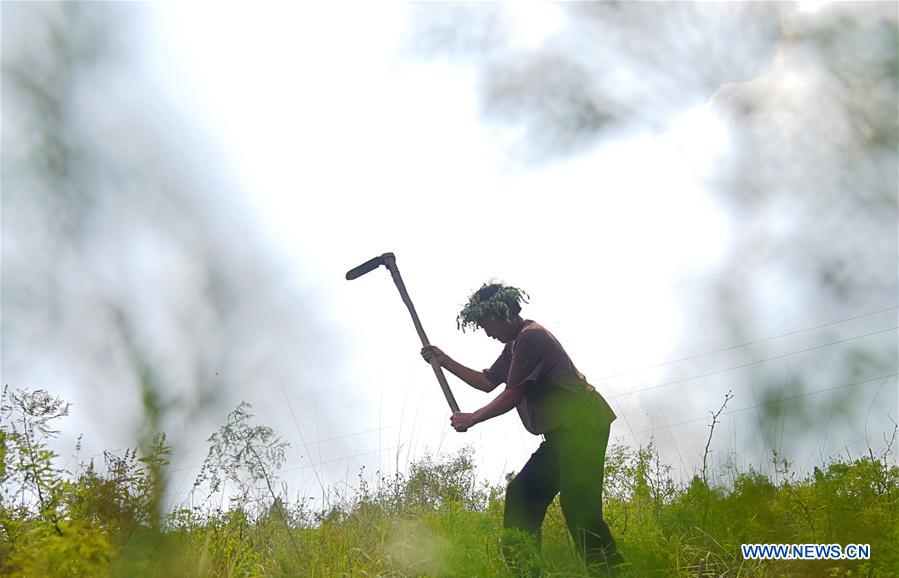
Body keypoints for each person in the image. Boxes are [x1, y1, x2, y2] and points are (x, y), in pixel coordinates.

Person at [421, 282, 625, 577]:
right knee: (522, 494)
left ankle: (612, 572)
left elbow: (512, 394)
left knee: (580, 509)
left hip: (583, 426)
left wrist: (472, 418)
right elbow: (487, 381)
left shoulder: (531, 338)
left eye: (486, 324)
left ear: (502, 313)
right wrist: (444, 360)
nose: (487, 332)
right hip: (561, 434)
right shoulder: (514, 345)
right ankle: (527, 572)